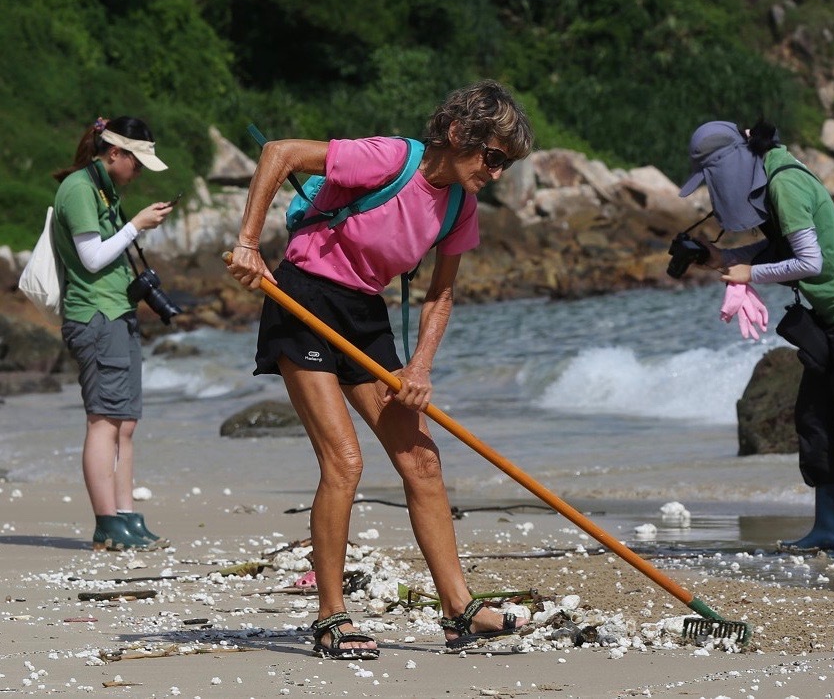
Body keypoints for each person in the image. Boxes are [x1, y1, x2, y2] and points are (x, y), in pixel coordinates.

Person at [227, 80, 535, 659]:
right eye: (492, 157)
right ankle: (330, 618)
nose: (496, 173)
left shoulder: (459, 206)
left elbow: (441, 294)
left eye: (505, 164)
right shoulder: (392, 159)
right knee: (344, 461)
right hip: (305, 301)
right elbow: (280, 153)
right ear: (455, 134)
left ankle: (459, 611)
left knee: (422, 460)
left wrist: (420, 365)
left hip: (365, 315)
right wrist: (248, 244)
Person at [679, 120, 834, 561]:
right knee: (816, 415)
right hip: (828, 313)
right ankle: (830, 528)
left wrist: (748, 272)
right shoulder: (770, 177)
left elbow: (810, 262)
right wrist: (725, 257)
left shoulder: (785, 184)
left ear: (728, 168)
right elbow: (780, 248)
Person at [52, 116, 176, 552]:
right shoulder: (80, 189)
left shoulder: (105, 188)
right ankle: (106, 522)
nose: (138, 171)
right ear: (115, 153)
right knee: (103, 421)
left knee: (124, 423)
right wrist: (136, 225)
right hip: (95, 315)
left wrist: (135, 224)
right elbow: (90, 257)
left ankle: (126, 516)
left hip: (116, 311)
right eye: (137, 162)